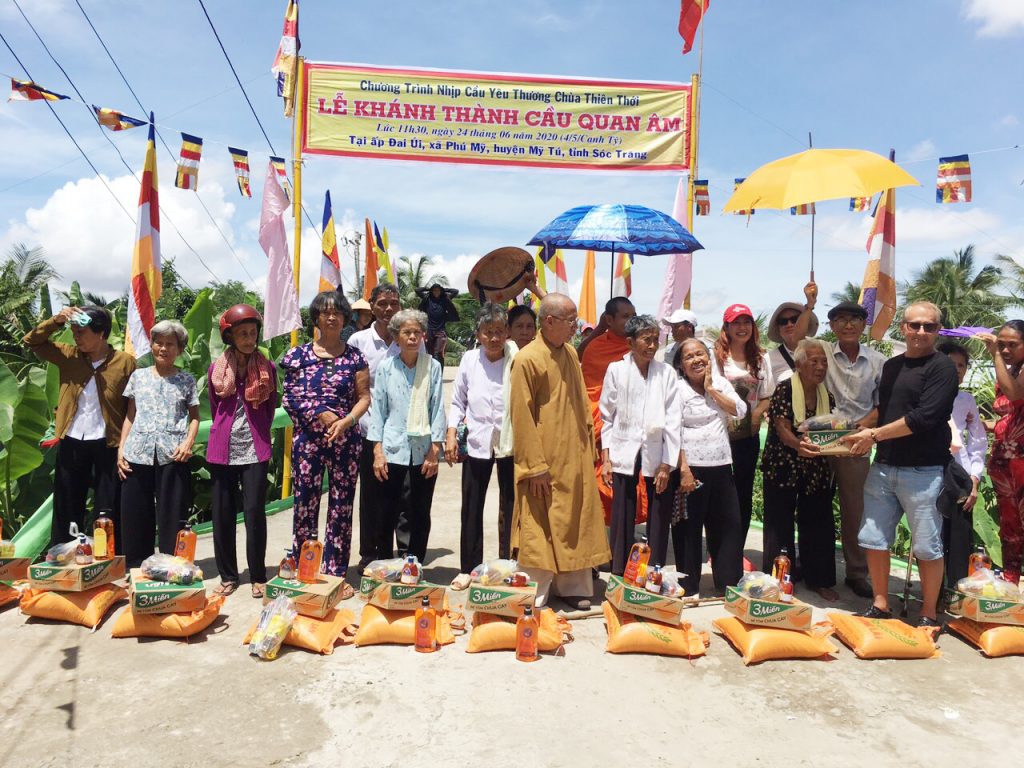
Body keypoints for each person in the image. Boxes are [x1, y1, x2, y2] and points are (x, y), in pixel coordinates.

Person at [842, 302, 959, 627]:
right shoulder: (892, 367)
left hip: (924, 471)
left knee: (926, 545)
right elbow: (884, 410)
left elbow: (924, 418)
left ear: (938, 330)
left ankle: (929, 614)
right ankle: (880, 604)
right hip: (884, 467)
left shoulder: (943, 368)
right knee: (874, 539)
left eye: (929, 326)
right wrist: (848, 432)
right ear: (903, 328)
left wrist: (874, 435)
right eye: (914, 325)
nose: (921, 332)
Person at [509, 293, 611, 610]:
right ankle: (535, 590)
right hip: (544, 462)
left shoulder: (568, 353)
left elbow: (582, 403)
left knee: (576, 520)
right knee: (539, 524)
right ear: (550, 322)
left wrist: (590, 448)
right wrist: (534, 466)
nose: (575, 327)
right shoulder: (527, 359)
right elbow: (521, 417)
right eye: (571, 321)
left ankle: (573, 586)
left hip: (575, 456)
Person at [23, 305, 136, 547]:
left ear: (102, 333)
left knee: (108, 506)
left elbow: (133, 406)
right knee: (66, 503)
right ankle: (61, 556)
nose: (76, 336)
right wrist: (57, 321)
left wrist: (126, 445)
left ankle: (108, 558)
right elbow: (32, 341)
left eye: (81, 332)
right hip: (72, 439)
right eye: (74, 331)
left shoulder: (125, 363)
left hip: (109, 442)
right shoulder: (68, 355)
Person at [281, 292, 369, 592]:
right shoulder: (297, 356)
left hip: (346, 441)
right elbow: (290, 397)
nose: (331, 317)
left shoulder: (355, 356)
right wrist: (321, 414)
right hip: (308, 443)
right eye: (325, 312)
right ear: (316, 317)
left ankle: (335, 574)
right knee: (305, 503)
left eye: (337, 313)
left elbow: (364, 398)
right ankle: (306, 569)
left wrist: (345, 421)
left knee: (341, 507)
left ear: (345, 318)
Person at [599, 315, 680, 575]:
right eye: (646, 339)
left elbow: (673, 419)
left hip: (657, 450)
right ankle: (620, 569)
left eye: (655, 339)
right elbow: (606, 416)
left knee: (659, 510)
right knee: (622, 509)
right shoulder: (617, 370)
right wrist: (607, 458)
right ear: (631, 342)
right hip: (624, 447)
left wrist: (667, 464)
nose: (652, 345)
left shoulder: (666, 373)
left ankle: (653, 568)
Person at [207, 305, 278, 597]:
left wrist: (258, 431)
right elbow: (214, 407)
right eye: (242, 334)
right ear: (230, 336)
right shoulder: (217, 369)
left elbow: (271, 407)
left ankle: (258, 575)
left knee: (254, 513)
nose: (249, 339)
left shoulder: (267, 368)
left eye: (252, 333)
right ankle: (228, 575)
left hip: (254, 449)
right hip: (222, 449)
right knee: (222, 514)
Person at [760, 339, 838, 601]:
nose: (820, 366)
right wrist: (798, 446)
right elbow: (782, 427)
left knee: (818, 522)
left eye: (824, 361)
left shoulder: (826, 395)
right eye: (814, 361)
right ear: (799, 364)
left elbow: (830, 430)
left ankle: (819, 579)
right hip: (783, 464)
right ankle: (779, 578)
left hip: (815, 467)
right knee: (778, 524)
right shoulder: (784, 389)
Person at [117, 321, 199, 569]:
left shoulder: (186, 380)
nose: (163, 348)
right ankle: (136, 569)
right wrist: (121, 449)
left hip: (173, 454)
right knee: (135, 514)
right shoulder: (138, 377)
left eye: (170, 344)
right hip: (137, 452)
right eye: (159, 343)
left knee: (172, 516)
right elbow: (130, 415)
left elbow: (195, 417)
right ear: (152, 345)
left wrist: (188, 442)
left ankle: (172, 567)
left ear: (179, 349)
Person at [445, 304, 515, 583]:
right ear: (479, 334)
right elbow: (458, 400)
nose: (494, 338)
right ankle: (469, 569)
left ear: (507, 333)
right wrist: (451, 432)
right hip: (477, 440)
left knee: (510, 506)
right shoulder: (469, 359)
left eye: (499, 331)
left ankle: (509, 566)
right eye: (488, 332)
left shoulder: (516, 358)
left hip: (510, 441)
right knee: (472, 505)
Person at [369, 309, 446, 563]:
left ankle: (414, 563)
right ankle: (383, 563)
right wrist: (377, 451)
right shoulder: (386, 368)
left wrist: (434, 451)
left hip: (423, 449)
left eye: (416, 332)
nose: (412, 337)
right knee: (385, 511)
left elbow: (437, 408)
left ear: (423, 335)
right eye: (406, 332)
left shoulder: (432, 367)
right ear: (396, 337)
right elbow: (378, 409)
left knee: (420, 510)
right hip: (391, 449)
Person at [822, 301, 886, 598]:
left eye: (855, 320)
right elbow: (797, 334)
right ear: (832, 325)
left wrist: (861, 427)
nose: (848, 325)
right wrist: (810, 303)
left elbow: (882, 404)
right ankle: (812, 565)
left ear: (864, 325)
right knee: (814, 506)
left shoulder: (878, 361)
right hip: (821, 441)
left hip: (858, 442)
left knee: (854, 510)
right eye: (841, 319)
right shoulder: (820, 353)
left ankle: (857, 573)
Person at [673, 338, 745, 597]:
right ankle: (687, 585)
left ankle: (728, 583)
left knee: (728, 525)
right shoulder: (677, 389)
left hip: (722, 466)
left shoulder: (721, 383)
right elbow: (673, 430)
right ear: (681, 365)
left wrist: (712, 390)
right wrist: (683, 469)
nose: (696, 360)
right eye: (689, 356)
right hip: (690, 468)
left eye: (700, 354)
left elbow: (740, 410)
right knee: (688, 528)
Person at [348, 282, 403, 575]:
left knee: (399, 494)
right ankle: (369, 554)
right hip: (368, 428)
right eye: (382, 304)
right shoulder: (358, 341)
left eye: (394, 303)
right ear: (372, 307)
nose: (388, 309)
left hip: (401, 432)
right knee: (371, 496)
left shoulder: (409, 339)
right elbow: (354, 388)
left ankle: (395, 554)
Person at [715, 304, 774, 543]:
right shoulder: (717, 356)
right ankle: (716, 548)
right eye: (736, 323)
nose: (742, 328)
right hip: (719, 435)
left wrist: (758, 413)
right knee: (719, 492)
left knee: (743, 493)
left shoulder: (761, 359)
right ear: (726, 327)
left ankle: (736, 547)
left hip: (746, 437)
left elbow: (767, 394)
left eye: (746, 322)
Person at [580, 297, 638, 523]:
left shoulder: (638, 346)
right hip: (602, 424)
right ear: (609, 320)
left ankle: (624, 531)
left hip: (631, 425)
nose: (631, 320)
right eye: (625, 316)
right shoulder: (595, 347)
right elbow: (591, 390)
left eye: (633, 315)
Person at [977, 320, 1024, 585]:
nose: (1005, 350)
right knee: (1010, 528)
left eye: (1012, 345)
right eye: (1002, 344)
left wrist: (994, 353)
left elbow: (1014, 394)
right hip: (1006, 459)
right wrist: (985, 425)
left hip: (1021, 461)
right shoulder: (1013, 369)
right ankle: (1011, 583)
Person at [938, 340, 986, 589]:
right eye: (950, 363)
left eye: (961, 365)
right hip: (929, 469)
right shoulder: (924, 394)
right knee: (932, 535)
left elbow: (978, 442)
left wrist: (975, 479)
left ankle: (954, 591)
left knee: (958, 535)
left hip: (960, 474)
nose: (956, 369)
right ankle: (932, 592)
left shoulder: (966, 400)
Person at [766, 281, 819, 384]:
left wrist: (810, 304)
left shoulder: (822, 350)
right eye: (783, 322)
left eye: (795, 320)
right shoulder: (768, 360)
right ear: (778, 328)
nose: (789, 324)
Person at [416, 283, 459, 365]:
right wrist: (429, 289)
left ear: (440, 291)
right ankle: (431, 373)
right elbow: (417, 290)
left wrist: (444, 289)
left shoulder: (445, 299)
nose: (436, 292)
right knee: (429, 354)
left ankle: (440, 374)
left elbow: (455, 291)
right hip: (429, 331)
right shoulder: (427, 298)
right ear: (432, 291)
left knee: (438, 353)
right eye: (434, 290)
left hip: (440, 331)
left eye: (438, 290)